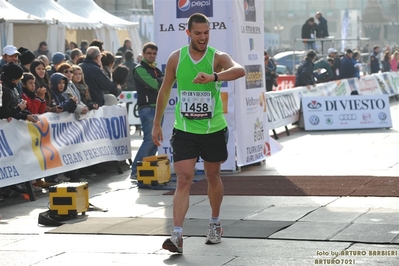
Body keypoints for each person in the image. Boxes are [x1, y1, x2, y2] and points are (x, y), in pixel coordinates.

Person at [152, 13, 245, 253]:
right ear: (188, 33)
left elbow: (240, 70)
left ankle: (215, 223)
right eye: (198, 33)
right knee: (183, 178)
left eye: (206, 33)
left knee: (213, 177)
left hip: (213, 128)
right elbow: (164, 91)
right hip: (184, 129)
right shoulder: (177, 58)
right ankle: (177, 235)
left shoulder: (216, 57)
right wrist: (156, 123)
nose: (203, 38)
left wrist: (214, 77)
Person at [130, 42, 164, 180]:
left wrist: (161, 80)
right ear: (143, 54)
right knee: (150, 140)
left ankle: (146, 170)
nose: (152, 55)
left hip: (157, 107)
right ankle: (135, 170)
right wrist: (162, 80)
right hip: (148, 108)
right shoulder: (139, 69)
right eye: (149, 53)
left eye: (154, 53)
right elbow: (156, 85)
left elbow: (162, 83)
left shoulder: (155, 69)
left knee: (155, 141)